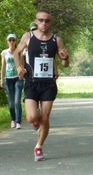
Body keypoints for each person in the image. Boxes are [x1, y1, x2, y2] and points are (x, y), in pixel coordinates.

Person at [14, 10, 69, 161]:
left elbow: (64, 63)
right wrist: (19, 68)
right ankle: (35, 120)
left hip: (48, 83)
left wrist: (65, 58)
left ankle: (38, 146)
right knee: (32, 117)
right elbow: (16, 53)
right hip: (31, 82)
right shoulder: (28, 37)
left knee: (45, 118)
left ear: (51, 23)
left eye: (47, 21)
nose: (44, 23)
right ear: (36, 21)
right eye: (41, 20)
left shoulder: (57, 40)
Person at [0, 33, 24, 129]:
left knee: (17, 101)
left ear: (16, 42)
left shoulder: (19, 52)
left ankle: (18, 121)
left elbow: (22, 65)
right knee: (11, 102)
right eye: (9, 40)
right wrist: (2, 79)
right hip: (8, 79)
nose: (11, 42)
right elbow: (3, 67)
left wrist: (22, 75)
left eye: (13, 40)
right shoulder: (4, 53)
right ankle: (13, 119)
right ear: (7, 42)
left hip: (18, 78)